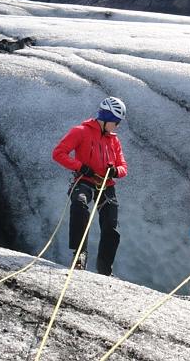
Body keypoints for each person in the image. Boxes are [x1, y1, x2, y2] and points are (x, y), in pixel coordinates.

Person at [52, 96, 128, 275]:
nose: (117, 126)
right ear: (107, 118)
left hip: (106, 184)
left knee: (111, 225)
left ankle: (104, 269)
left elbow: (123, 167)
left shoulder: (114, 140)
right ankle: (80, 255)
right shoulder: (80, 131)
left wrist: (115, 171)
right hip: (84, 180)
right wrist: (80, 167)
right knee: (79, 204)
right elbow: (59, 153)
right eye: (116, 122)